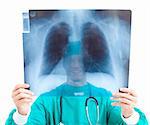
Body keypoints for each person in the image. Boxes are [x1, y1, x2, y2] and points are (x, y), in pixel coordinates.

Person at [6, 41, 148, 125]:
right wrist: (22, 113)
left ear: (87, 64)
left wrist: (129, 114)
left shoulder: (106, 97)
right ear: (64, 64)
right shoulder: (47, 100)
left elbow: (126, 122)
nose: (75, 65)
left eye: (80, 61)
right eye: (71, 61)